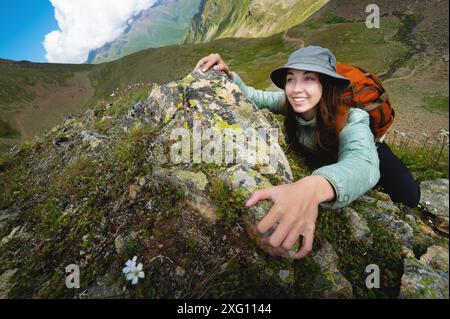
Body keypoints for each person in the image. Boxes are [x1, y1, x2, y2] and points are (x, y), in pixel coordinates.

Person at [194, 46, 420, 259]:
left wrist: (312, 188)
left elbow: (363, 163)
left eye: (309, 78)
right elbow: (256, 96)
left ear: (326, 84)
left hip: (371, 150)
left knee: (409, 196)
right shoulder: (291, 104)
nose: (296, 88)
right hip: (327, 154)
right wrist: (226, 73)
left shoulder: (352, 118)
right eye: (291, 78)